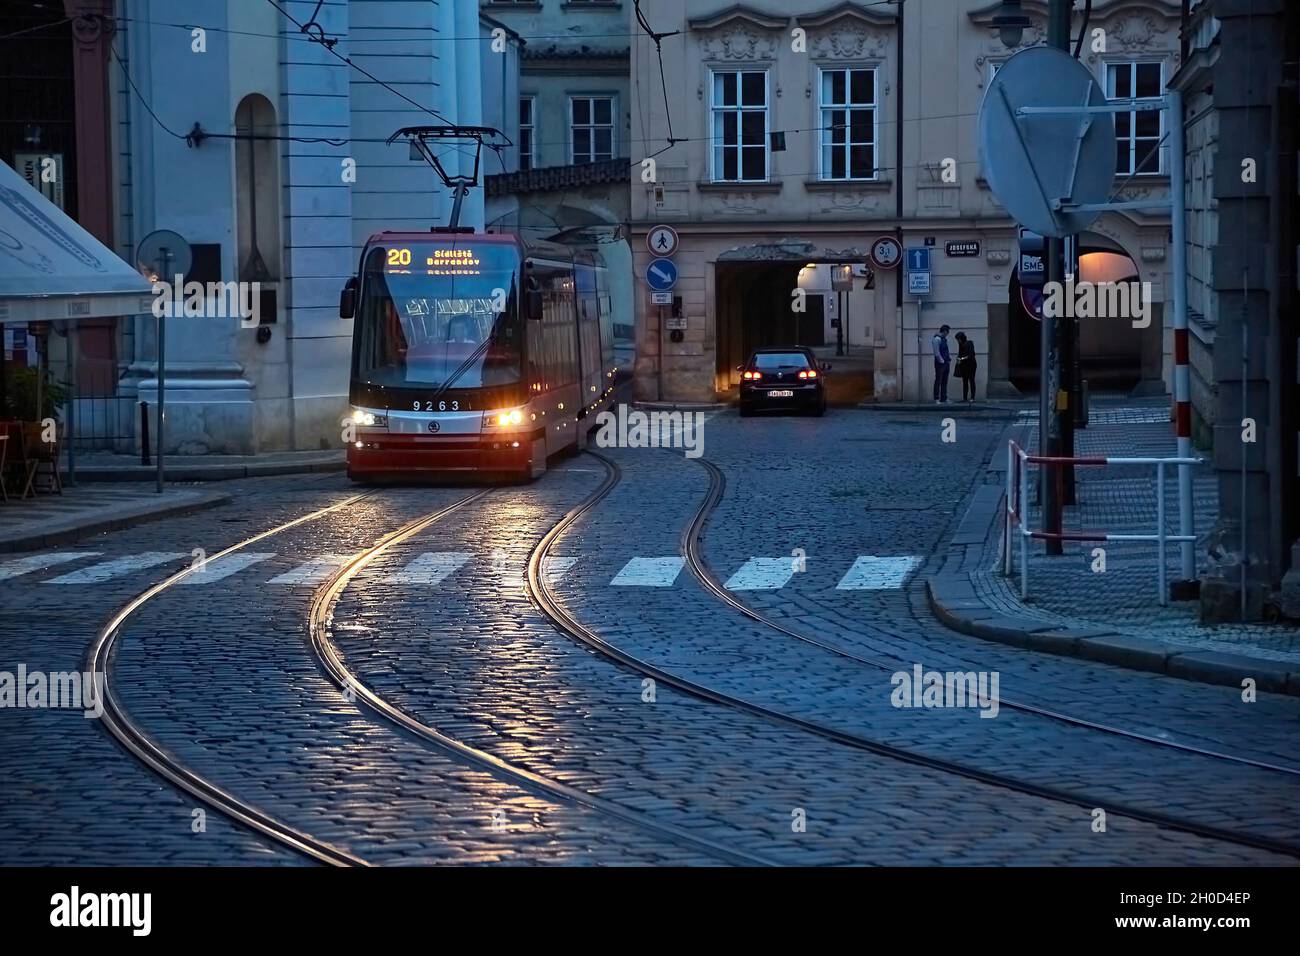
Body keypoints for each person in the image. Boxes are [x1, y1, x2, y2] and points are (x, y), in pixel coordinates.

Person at [954, 331, 977, 403]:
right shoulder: (960, 345)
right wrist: (959, 359)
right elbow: (960, 354)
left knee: (971, 380)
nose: (958, 341)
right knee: (965, 381)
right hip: (964, 366)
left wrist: (962, 359)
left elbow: (971, 355)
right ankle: (965, 398)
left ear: (962, 338)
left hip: (971, 365)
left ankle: (972, 397)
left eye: (958, 339)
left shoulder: (970, 343)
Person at [931, 324, 951, 404]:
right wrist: (941, 361)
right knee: (938, 380)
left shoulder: (944, 339)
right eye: (947, 331)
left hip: (946, 362)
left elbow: (946, 351)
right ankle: (936, 398)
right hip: (940, 363)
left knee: (944, 381)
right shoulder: (937, 339)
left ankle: (944, 398)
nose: (948, 333)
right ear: (945, 331)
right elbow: (936, 352)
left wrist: (948, 360)